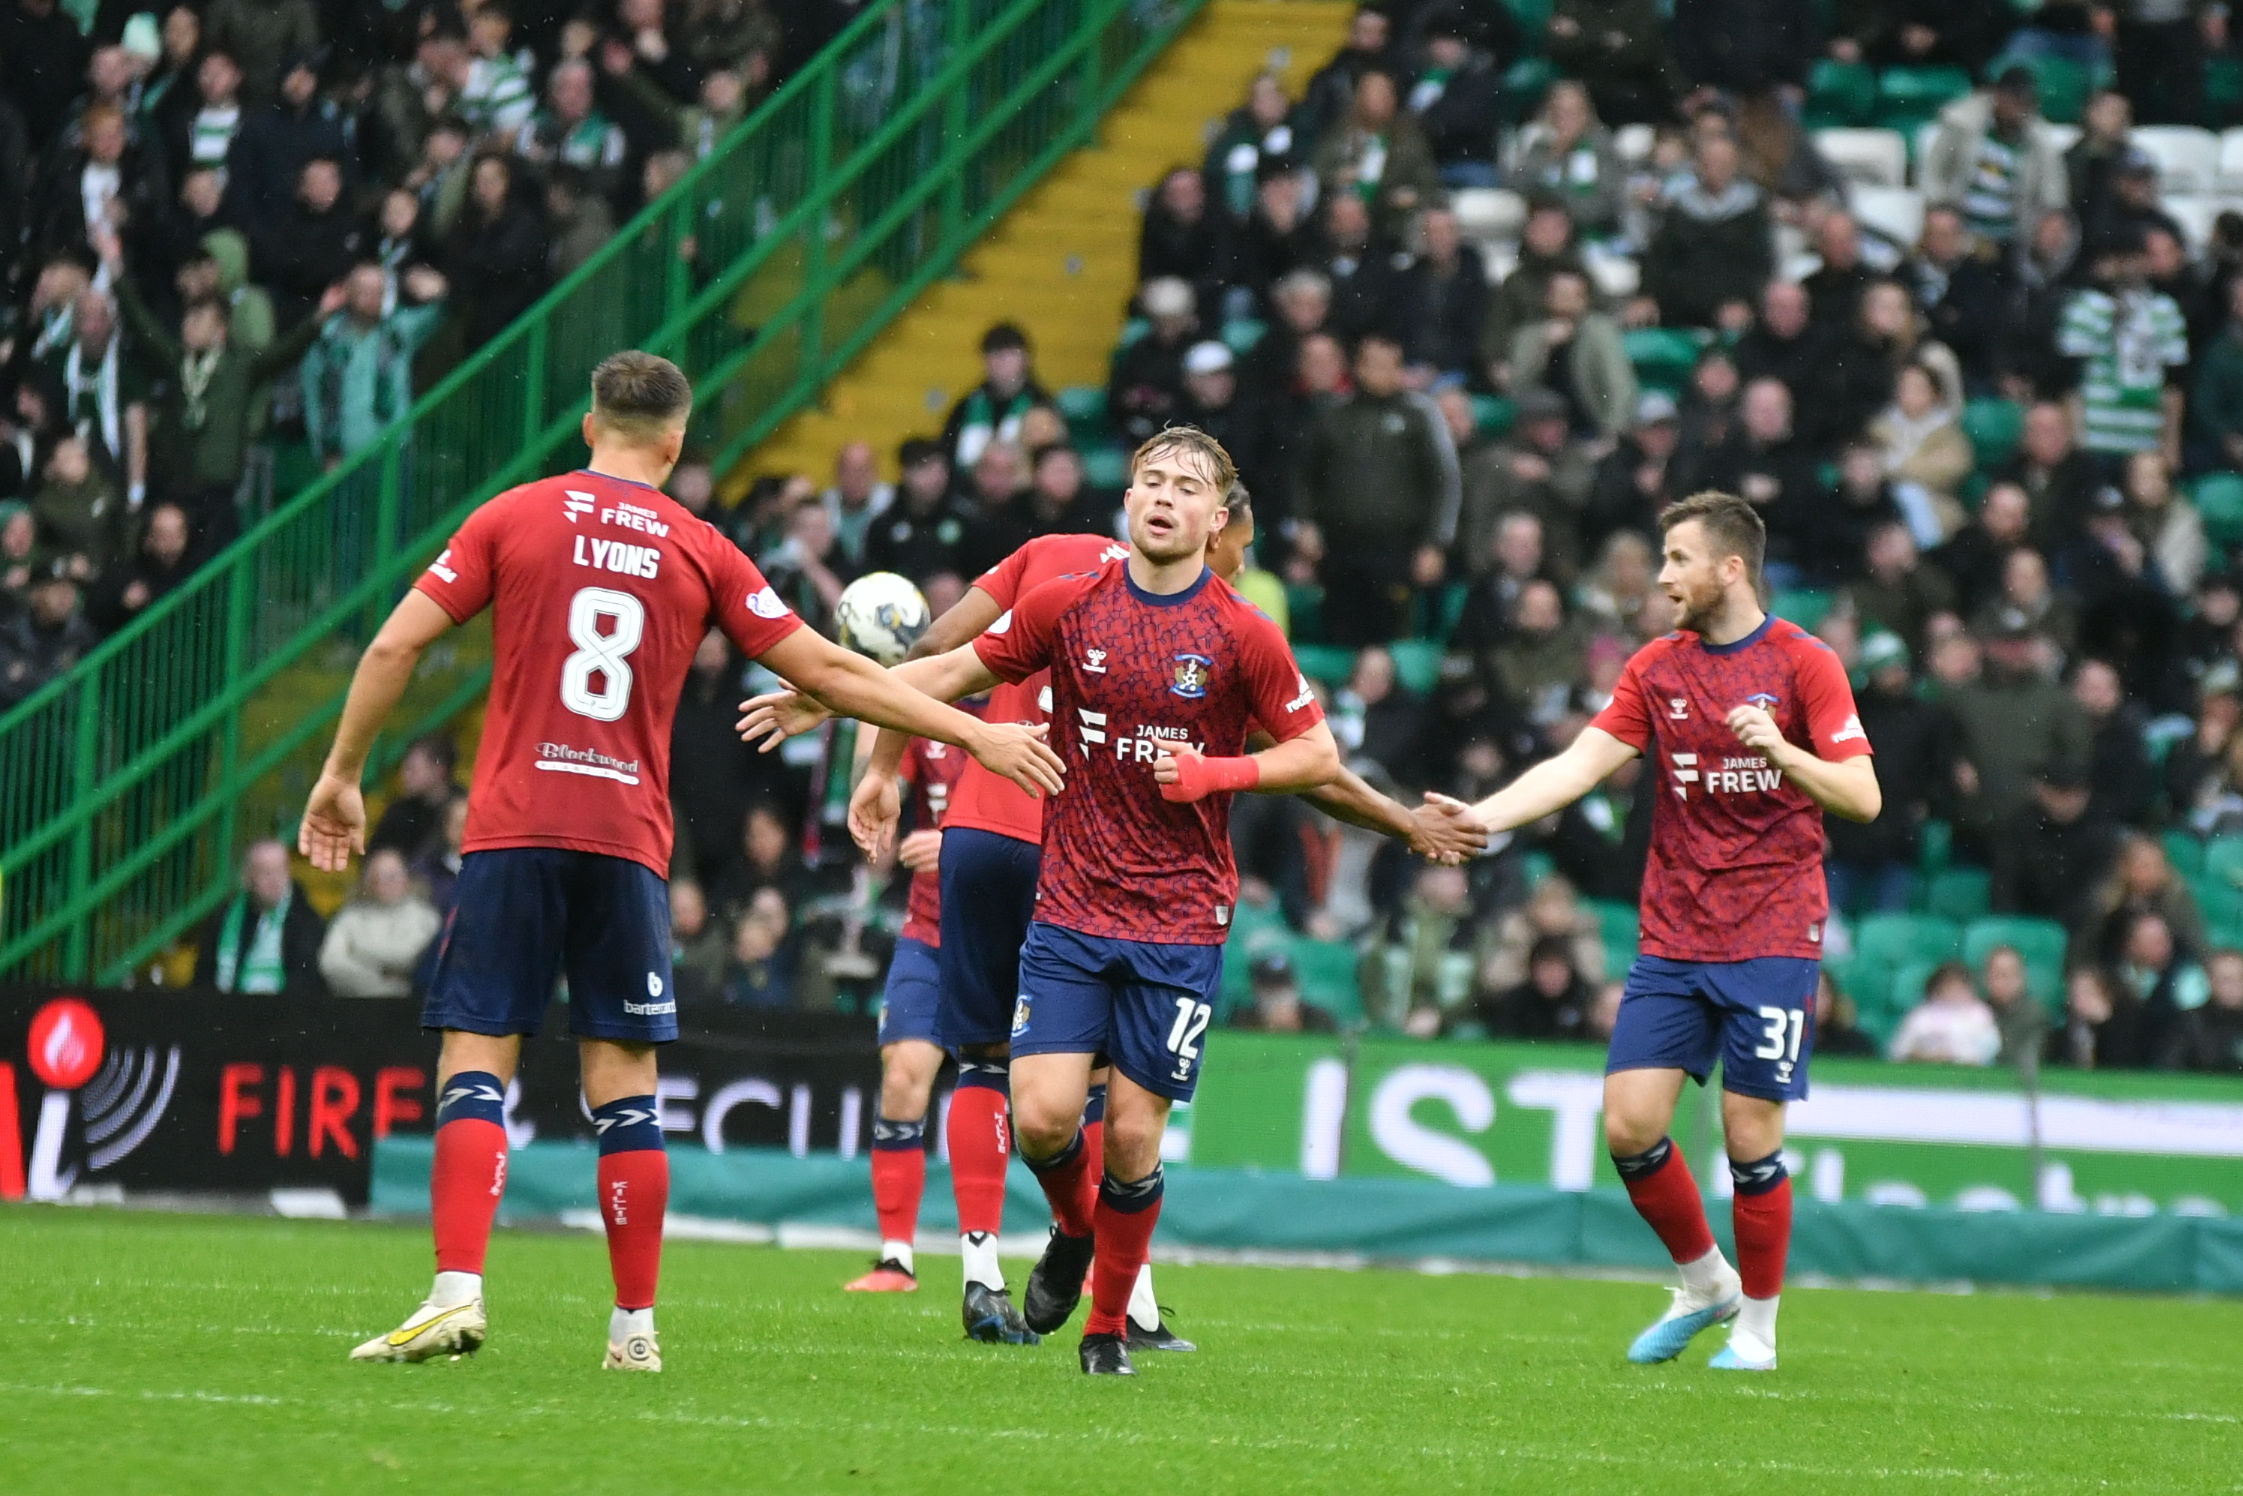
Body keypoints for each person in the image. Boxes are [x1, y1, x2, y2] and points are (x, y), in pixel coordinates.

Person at [298, 351, 1064, 1372]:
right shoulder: (700, 547)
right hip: (624, 844)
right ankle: (633, 1329)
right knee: (626, 1089)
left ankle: (454, 1292)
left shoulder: (512, 515)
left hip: (517, 824)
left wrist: (344, 773)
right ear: (674, 442)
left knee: (478, 1061)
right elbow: (833, 669)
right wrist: (969, 735)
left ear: (587, 425)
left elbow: (392, 648)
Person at [750, 484, 1483, 1347]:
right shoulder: (1215, 629)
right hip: (1084, 869)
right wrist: (1399, 822)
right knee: (1102, 1105)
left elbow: (939, 647)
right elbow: (1316, 772)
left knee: (992, 1070)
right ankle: (1115, 1290)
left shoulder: (1053, 557)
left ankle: (989, 1273)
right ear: (1212, 532)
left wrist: (873, 749)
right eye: (1237, 554)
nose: (1238, 571)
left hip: (980, 828)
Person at [1440, 491, 1881, 1372]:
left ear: (1730, 568)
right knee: (1628, 1126)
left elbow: (1862, 798)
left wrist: (1783, 753)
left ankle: (1756, 1327)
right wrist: (1482, 820)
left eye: (1677, 558)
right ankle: (1703, 1281)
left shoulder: (1803, 664)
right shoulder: (1655, 668)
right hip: (1674, 935)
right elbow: (1577, 765)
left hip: (1772, 931)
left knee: (1750, 1135)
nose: (1661, 575)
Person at [844, 711, 979, 1296]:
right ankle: (896, 1258)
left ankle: (1078, 1245)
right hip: (929, 932)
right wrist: (868, 693)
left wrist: (953, 843)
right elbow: (875, 787)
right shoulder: (927, 704)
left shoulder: (1032, 704)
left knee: (1048, 1107)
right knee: (902, 1075)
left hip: (1019, 934)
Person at [193, 838, 328, 995]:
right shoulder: (224, 918)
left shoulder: (306, 920)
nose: (274, 880)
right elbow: (204, 975)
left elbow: (305, 981)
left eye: (280, 871)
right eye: (265, 872)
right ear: (248, 877)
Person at [319, 848, 444, 998]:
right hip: (356, 1005)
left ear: (406, 878)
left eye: (392, 876)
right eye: (377, 877)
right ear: (367, 881)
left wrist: (358, 952)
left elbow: (408, 957)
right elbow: (332, 964)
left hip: (411, 1008)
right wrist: (385, 984)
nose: (385, 883)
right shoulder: (348, 919)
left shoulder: (427, 918)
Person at [1888, 961, 2002, 1065]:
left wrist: (1955, 1056)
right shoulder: (1921, 1015)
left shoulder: (1980, 1014)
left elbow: (1990, 1047)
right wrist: (1923, 1056)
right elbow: (1899, 1049)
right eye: (1948, 986)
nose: (1954, 991)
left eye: (1959, 986)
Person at [368, 736, 460, 861]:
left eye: (412, 769)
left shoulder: (463, 806)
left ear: (439, 770)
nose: (404, 775)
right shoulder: (398, 813)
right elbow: (373, 859)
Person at [1230, 949, 1339, 1033]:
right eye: (1269, 989)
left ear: (1296, 987)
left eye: (1283, 988)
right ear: (1255, 990)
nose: (1277, 996)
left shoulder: (1318, 1019)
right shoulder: (1242, 1018)